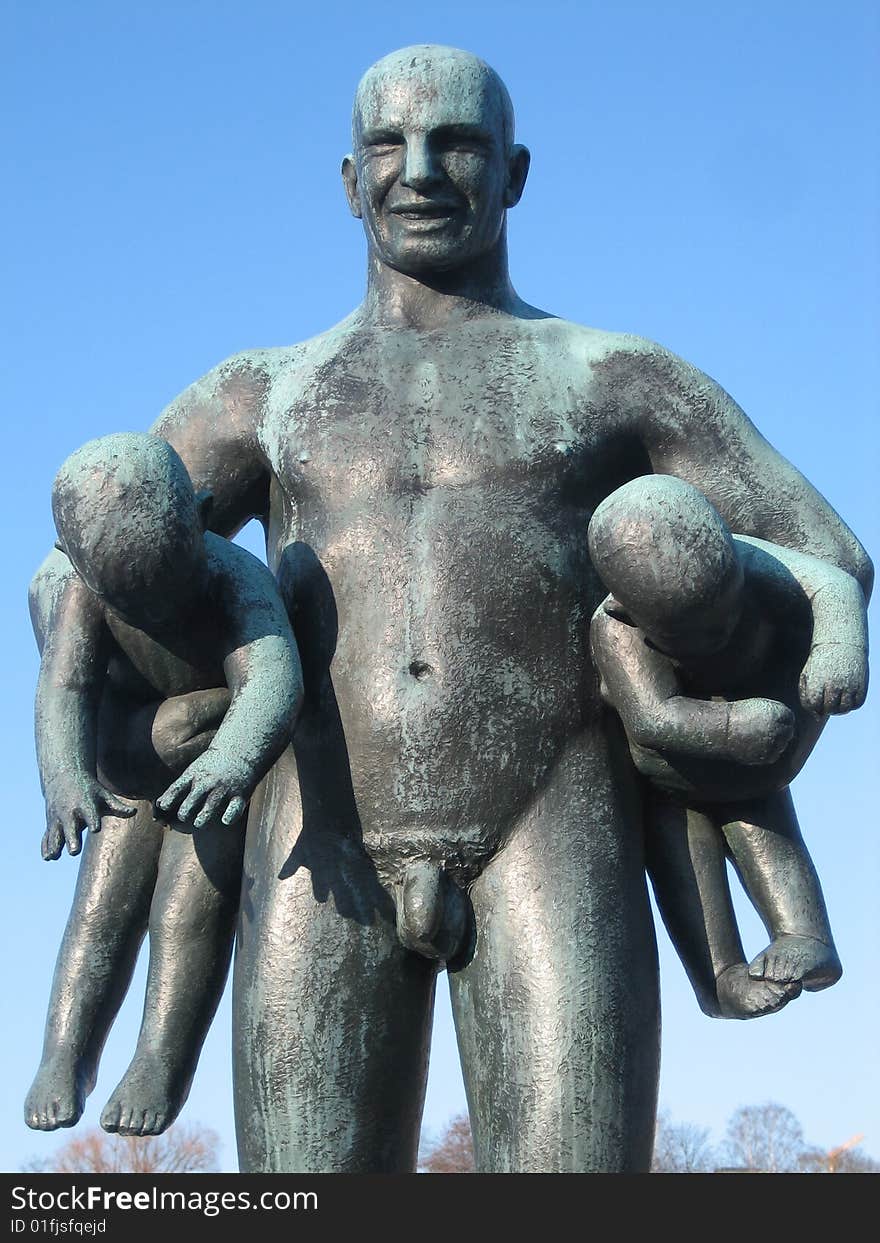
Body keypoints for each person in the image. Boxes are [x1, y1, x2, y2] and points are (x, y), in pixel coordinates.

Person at [30, 46, 872, 1172]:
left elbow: (826, 555)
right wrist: (135, 734)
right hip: (318, 836)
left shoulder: (612, 375)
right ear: (347, 177)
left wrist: (720, 713)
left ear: (513, 173)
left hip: (548, 820)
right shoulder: (264, 391)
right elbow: (87, 569)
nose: (419, 171)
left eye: (457, 144)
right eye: (390, 144)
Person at [25, 433, 302, 1136]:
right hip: (135, 778)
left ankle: (160, 1060)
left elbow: (273, 674)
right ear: (79, 569)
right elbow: (64, 688)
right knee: (99, 913)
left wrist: (233, 761)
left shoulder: (233, 578)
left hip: (214, 770)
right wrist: (65, 779)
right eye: (131, 600)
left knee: (187, 914)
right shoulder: (83, 598)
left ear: (203, 518)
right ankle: (66, 1053)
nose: (154, 614)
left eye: (166, 591)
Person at [588, 474, 868, 1020]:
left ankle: (805, 935)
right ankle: (722, 979)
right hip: (677, 773)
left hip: (754, 767)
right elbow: (651, 717)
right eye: (694, 634)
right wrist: (736, 726)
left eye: (728, 612)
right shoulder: (614, 628)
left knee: (764, 825)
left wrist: (839, 650)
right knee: (687, 864)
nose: (719, 635)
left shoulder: (759, 562)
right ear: (628, 611)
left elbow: (834, 585)